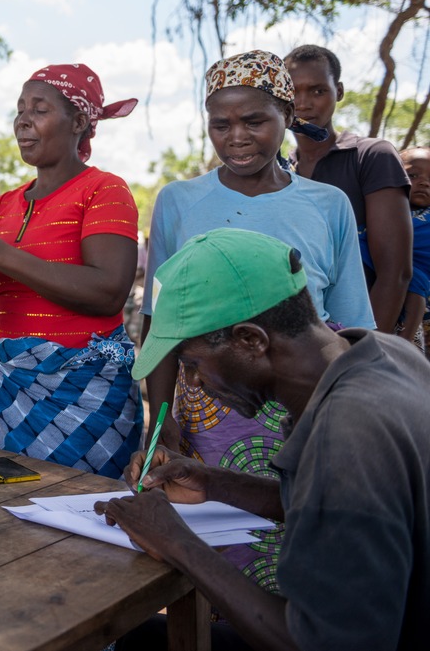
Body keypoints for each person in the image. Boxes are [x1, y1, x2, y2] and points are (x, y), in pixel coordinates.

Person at [99, 228, 430, 651]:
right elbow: (344, 508)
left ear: (251, 340)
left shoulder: (346, 433)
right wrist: (216, 483)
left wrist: (176, 541)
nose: (195, 381)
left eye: (193, 362)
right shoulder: (384, 353)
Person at [141, 49, 374, 590]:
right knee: (211, 539)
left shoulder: (328, 205)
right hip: (207, 397)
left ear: (287, 119)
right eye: (220, 124)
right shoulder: (178, 202)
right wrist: (161, 416)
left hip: (298, 400)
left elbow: (348, 319)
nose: (236, 137)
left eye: (254, 121)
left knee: (299, 536)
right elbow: (162, 322)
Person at [0, 63, 142, 478]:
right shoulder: (4, 205)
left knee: (79, 519)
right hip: (3, 387)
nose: (23, 121)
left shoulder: (104, 190)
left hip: (82, 395)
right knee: (0, 515)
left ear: (79, 121)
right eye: (20, 108)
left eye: (40, 109)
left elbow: (109, 291)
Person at [285, 44, 412, 333]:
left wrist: (361, 351)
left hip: (359, 337)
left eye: (318, 91)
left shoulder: (371, 156)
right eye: (293, 91)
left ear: (338, 92)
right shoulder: (280, 171)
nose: (303, 103)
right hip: (299, 343)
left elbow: (396, 273)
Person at [376, 147, 430, 350]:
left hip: (417, 273)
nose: (424, 182)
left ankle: (405, 343)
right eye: (413, 175)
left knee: (417, 288)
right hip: (384, 272)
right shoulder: (382, 207)